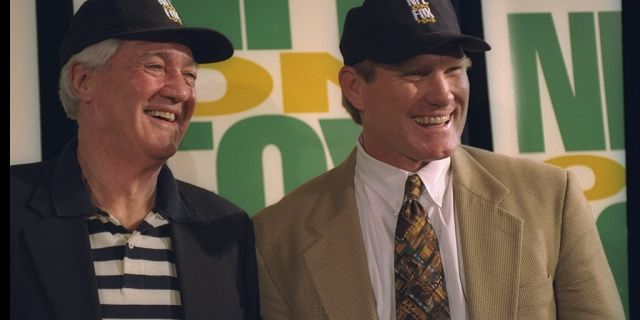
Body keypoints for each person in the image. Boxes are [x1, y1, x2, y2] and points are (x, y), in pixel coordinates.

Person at [252, 0, 625, 319]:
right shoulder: (279, 236)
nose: (444, 95)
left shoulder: (550, 197)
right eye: (416, 73)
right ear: (355, 87)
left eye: (454, 70)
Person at [10, 0, 260, 319]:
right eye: (155, 67)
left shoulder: (227, 229)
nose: (181, 92)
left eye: (189, 76)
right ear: (83, 80)